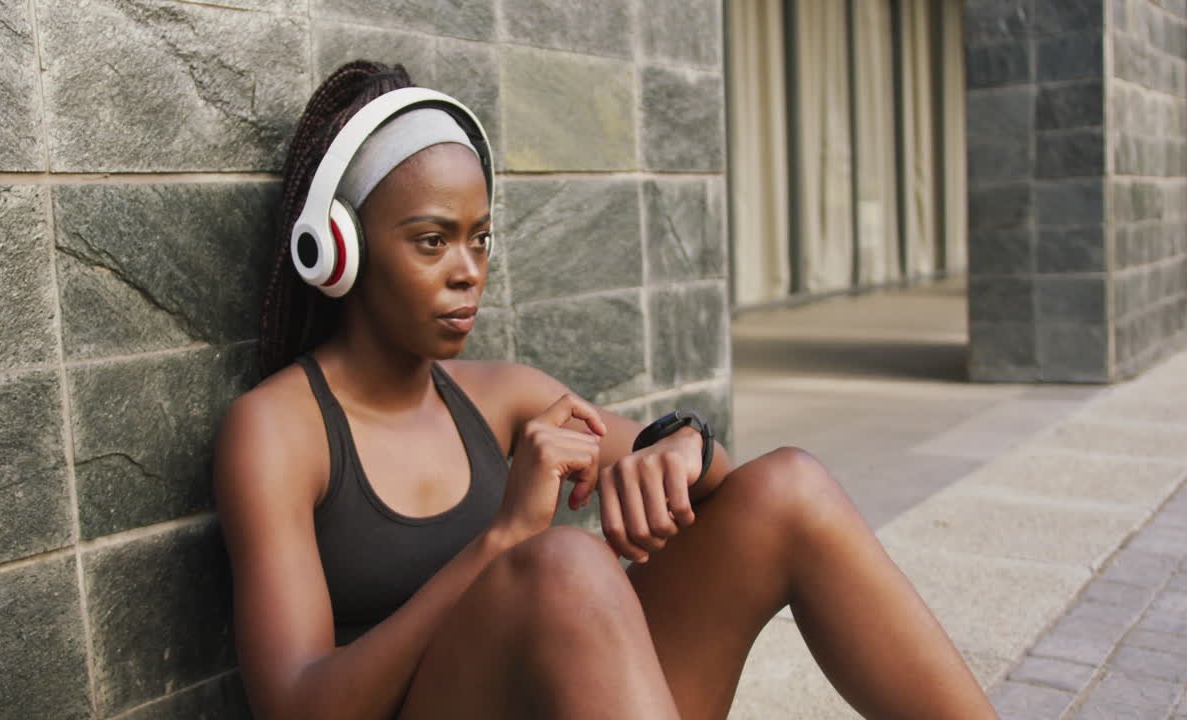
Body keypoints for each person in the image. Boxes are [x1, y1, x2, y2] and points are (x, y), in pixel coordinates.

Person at [213, 60, 997, 720]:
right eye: (432, 240)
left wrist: (682, 446)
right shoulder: (278, 431)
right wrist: (502, 541)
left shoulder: (503, 396)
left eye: (480, 237)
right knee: (565, 565)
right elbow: (295, 704)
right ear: (338, 250)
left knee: (790, 488)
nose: (468, 269)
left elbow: (725, 487)